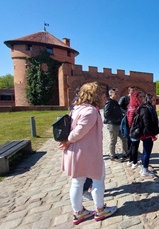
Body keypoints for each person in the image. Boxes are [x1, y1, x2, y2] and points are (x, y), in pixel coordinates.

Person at [58, 82, 117, 225]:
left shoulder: (77, 109)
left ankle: (79, 212)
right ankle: (100, 209)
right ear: (94, 95)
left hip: (78, 151)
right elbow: (80, 131)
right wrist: (68, 140)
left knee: (77, 182)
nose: (104, 97)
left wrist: (68, 141)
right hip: (87, 153)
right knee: (98, 179)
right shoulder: (90, 111)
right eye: (102, 94)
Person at [136, 94, 159, 177]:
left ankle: (144, 168)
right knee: (147, 151)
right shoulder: (146, 109)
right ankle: (144, 170)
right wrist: (152, 135)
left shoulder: (149, 108)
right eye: (153, 100)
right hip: (146, 134)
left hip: (147, 133)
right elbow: (147, 124)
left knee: (146, 151)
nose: (155, 101)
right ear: (149, 100)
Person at [104, 88, 128, 160]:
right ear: (111, 94)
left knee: (124, 138)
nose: (117, 95)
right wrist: (116, 118)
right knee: (113, 140)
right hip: (112, 124)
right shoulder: (109, 103)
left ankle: (125, 153)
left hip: (118, 124)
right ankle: (112, 155)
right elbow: (106, 114)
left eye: (118, 93)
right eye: (115, 94)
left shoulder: (115, 102)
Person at [126, 91, 144, 168]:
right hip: (134, 130)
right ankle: (134, 163)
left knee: (133, 146)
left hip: (133, 129)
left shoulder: (133, 106)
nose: (142, 98)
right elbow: (130, 121)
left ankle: (130, 161)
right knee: (134, 146)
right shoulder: (134, 108)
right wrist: (134, 128)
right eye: (140, 97)